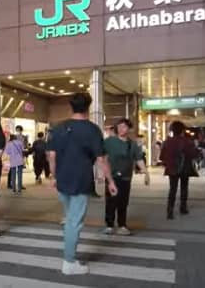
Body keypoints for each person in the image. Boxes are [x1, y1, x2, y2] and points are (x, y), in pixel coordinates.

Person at [47, 92, 117, 276]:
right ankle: (69, 262)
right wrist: (110, 181)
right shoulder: (92, 130)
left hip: (62, 180)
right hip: (81, 180)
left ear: (71, 107)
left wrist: (54, 177)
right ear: (88, 107)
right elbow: (101, 159)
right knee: (74, 222)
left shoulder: (59, 127)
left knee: (70, 219)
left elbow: (51, 156)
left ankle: (70, 257)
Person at [103, 118, 150, 236]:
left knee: (123, 202)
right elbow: (103, 158)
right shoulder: (109, 142)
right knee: (111, 201)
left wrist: (146, 173)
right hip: (112, 176)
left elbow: (138, 159)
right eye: (119, 127)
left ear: (128, 128)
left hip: (126, 177)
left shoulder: (132, 144)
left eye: (124, 126)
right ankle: (109, 224)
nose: (121, 129)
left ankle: (122, 225)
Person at [160, 121, 200, 220]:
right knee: (184, 188)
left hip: (172, 168)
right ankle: (183, 208)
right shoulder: (187, 141)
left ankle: (170, 211)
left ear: (172, 130)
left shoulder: (167, 141)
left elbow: (162, 157)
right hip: (184, 168)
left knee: (172, 189)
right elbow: (193, 155)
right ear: (182, 130)